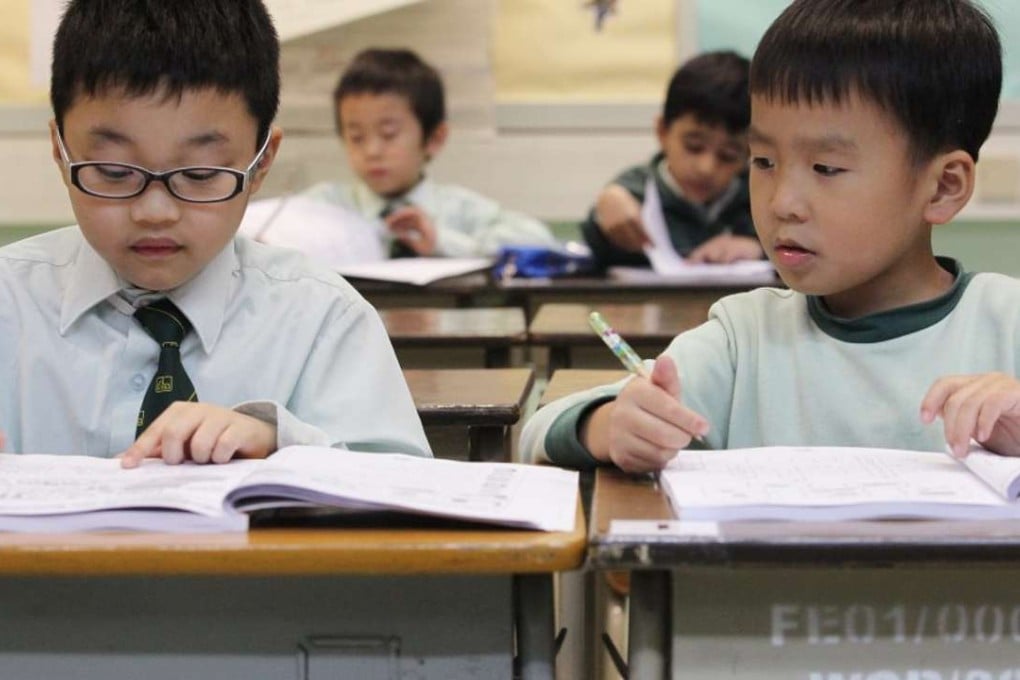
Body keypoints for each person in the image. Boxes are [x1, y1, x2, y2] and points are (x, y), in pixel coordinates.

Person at [521, 0, 1020, 473]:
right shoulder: (745, 339)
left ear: (943, 186)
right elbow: (535, 432)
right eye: (762, 162)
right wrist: (610, 426)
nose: (782, 201)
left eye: (826, 167)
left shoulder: (1007, 324)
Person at [0, 0, 431, 464]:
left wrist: (282, 446)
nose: (155, 211)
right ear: (59, 150)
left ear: (261, 162)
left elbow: (402, 491)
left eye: (202, 175)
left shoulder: (323, 321)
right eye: (112, 171)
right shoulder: (11, 304)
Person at [303, 48, 559, 258]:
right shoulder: (326, 204)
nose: (372, 151)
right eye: (356, 137)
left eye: (389, 134)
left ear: (434, 139)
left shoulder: (459, 209)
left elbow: (541, 241)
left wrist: (444, 241)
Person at [580, 50, 763, 271]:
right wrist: (604, 218)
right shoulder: (636, 191)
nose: (706, 168)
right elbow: (597, 244)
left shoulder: (761, 197)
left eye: (728, 155)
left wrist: (759, 248)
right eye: (693, 147)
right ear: (662, 131)